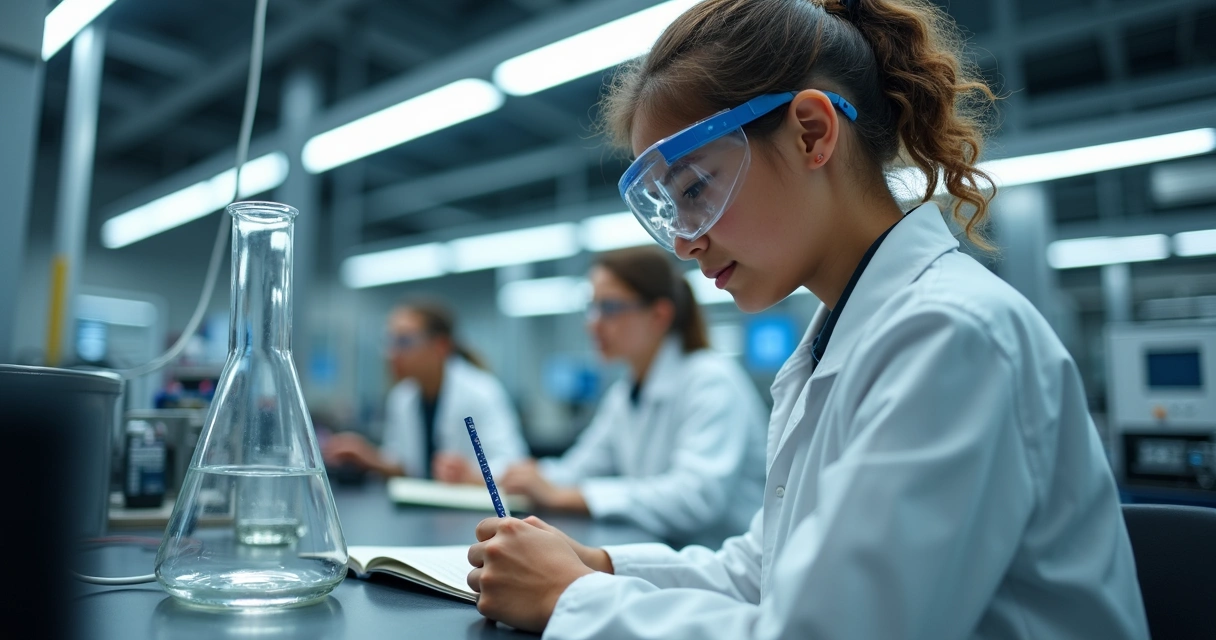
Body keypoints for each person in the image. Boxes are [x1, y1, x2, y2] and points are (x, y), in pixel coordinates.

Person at [464, 1, 1150, 638]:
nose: (683, 241)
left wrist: (572, 599)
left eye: (695, 189)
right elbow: (765, 573)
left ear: (812, 134)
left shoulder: (950, 334)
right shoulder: (837, 339)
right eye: (667, 210)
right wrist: (605, 567)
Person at [500, 246, 767, 547]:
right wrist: (509, 478)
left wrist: (564, 497)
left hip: (723, 569)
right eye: (593, 307)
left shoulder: (710, 380)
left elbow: (695, 498)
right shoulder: (624, 393)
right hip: (666, 554)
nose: (593, 323)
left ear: (658, 315)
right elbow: (577, 470)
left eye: (609, 308)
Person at [321, 301, 527, 483]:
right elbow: (407, 466)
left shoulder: (481, 391)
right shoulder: (402, 397)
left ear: (440, 346)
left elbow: (515, 466)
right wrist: (367, 456)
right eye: (389, 341)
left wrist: (472, 474)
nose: (391, 353)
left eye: (404, 342)